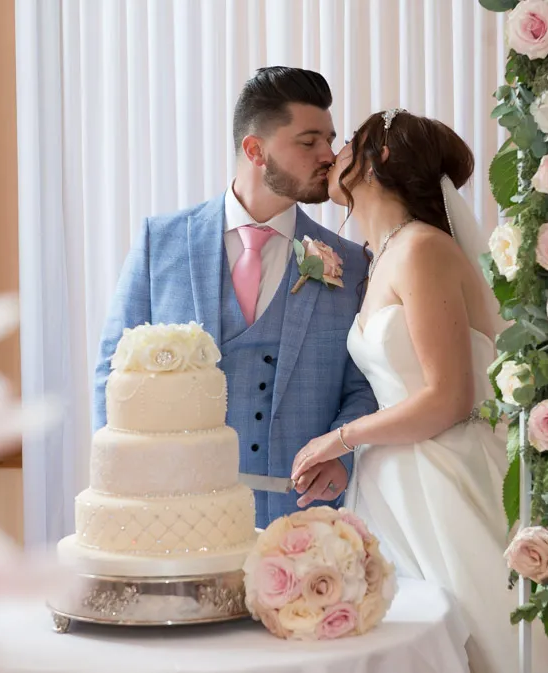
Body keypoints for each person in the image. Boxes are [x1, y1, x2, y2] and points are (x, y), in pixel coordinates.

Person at [289, 108, 548, 673]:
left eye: (350, 142)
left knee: (488, 641)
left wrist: (338, 439)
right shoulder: (385, 253)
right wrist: (355, 453)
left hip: (443, 481)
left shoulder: (421, 249)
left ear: (380, 157)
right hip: (395, 485)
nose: (336, 153)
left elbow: (448, 397)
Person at [92, 67, 378, 527]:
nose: (329, 155)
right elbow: (114, 369)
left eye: (330, 138)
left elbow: (365, 382)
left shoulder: (351, 262)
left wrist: (342, 456)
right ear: (255, 150)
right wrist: (125, 484)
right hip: (174, 515)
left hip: (304, 519)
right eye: (309, 142)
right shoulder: (159, 242)